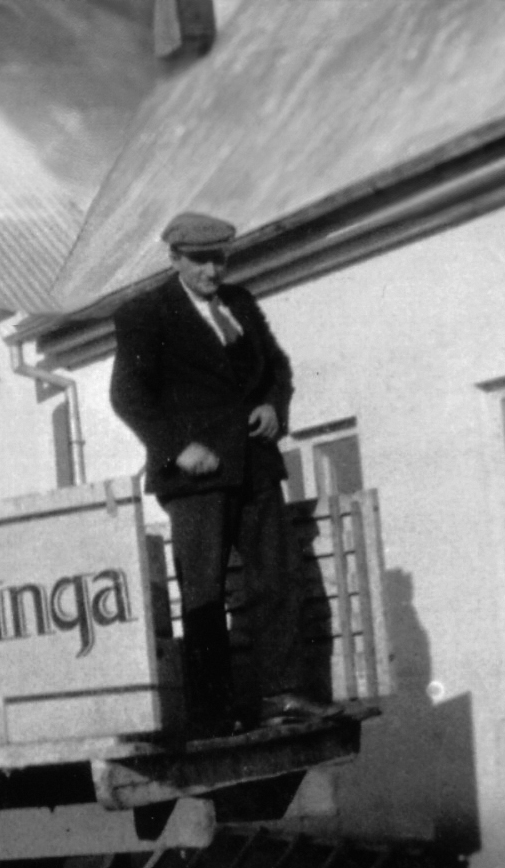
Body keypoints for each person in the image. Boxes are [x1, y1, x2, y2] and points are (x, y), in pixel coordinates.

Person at [109, 211, 341, 737]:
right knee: (204, 597)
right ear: (174, 258)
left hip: (255, 465)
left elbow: (277, 368)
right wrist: (176, 448)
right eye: (200, 261)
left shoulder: (240, 303)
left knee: (277, 580)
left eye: (219, 259)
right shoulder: (145, 314)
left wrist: (273, 406)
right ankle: (212, 714)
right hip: (196, 477)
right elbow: (127, 395)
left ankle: (283, 695)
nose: (212, 271)